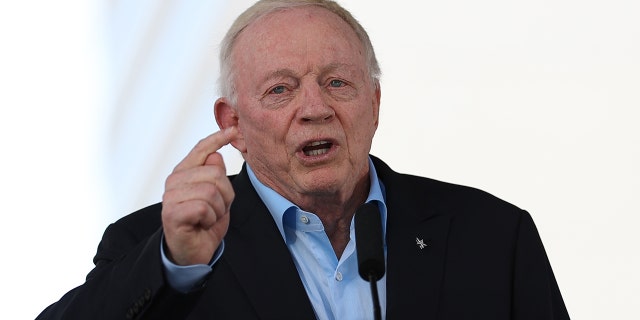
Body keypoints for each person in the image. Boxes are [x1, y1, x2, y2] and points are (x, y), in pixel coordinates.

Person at [37, 0, 570, 319]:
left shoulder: (494, 237)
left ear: (375, 103)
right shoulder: (154, 250)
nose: (315, 108)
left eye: (338, 82)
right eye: (280, 90)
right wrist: (176, 264)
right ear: (233, 125)